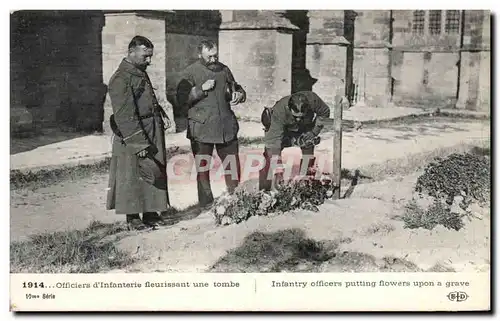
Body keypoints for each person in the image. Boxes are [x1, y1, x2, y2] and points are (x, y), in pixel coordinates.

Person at [106, 35, 174, 230]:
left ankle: (151, 213)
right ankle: (133, 218)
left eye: (150, 56)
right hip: (133, 135)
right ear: (131, 52)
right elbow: (125, 115)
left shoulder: (139, 71)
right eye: (145, 56)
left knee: (153, 170)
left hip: (152, 129)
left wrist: (160, 115)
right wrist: (138, 143)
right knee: (132, 174)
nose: (149, 61)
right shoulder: (121, 78)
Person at [176, 40, 246, 208]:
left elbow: (236, 87)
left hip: (225, 126)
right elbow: (180, 99)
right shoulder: (190, 72)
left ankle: (234, 198)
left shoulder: (224, 69)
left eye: (216, 56)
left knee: (232, 165)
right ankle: (206, 204)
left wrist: (239, 94)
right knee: (203, 168)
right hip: (201, 128)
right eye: (210, 57)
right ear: (200, 55)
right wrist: (201, 89)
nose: (214, 60)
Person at [259, 91, 347, 191]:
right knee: (269, 155)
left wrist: (314, 132)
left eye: (301, 116)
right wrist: (278, 171)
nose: (298, 119)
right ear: (289, 108)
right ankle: (264, 190)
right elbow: (273, 143)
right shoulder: (279, 111)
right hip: (284, 129)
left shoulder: (313, 100)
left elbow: (324, 112)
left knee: (308, 152)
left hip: (304, 128)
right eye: (295, 116)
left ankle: (306, 186)